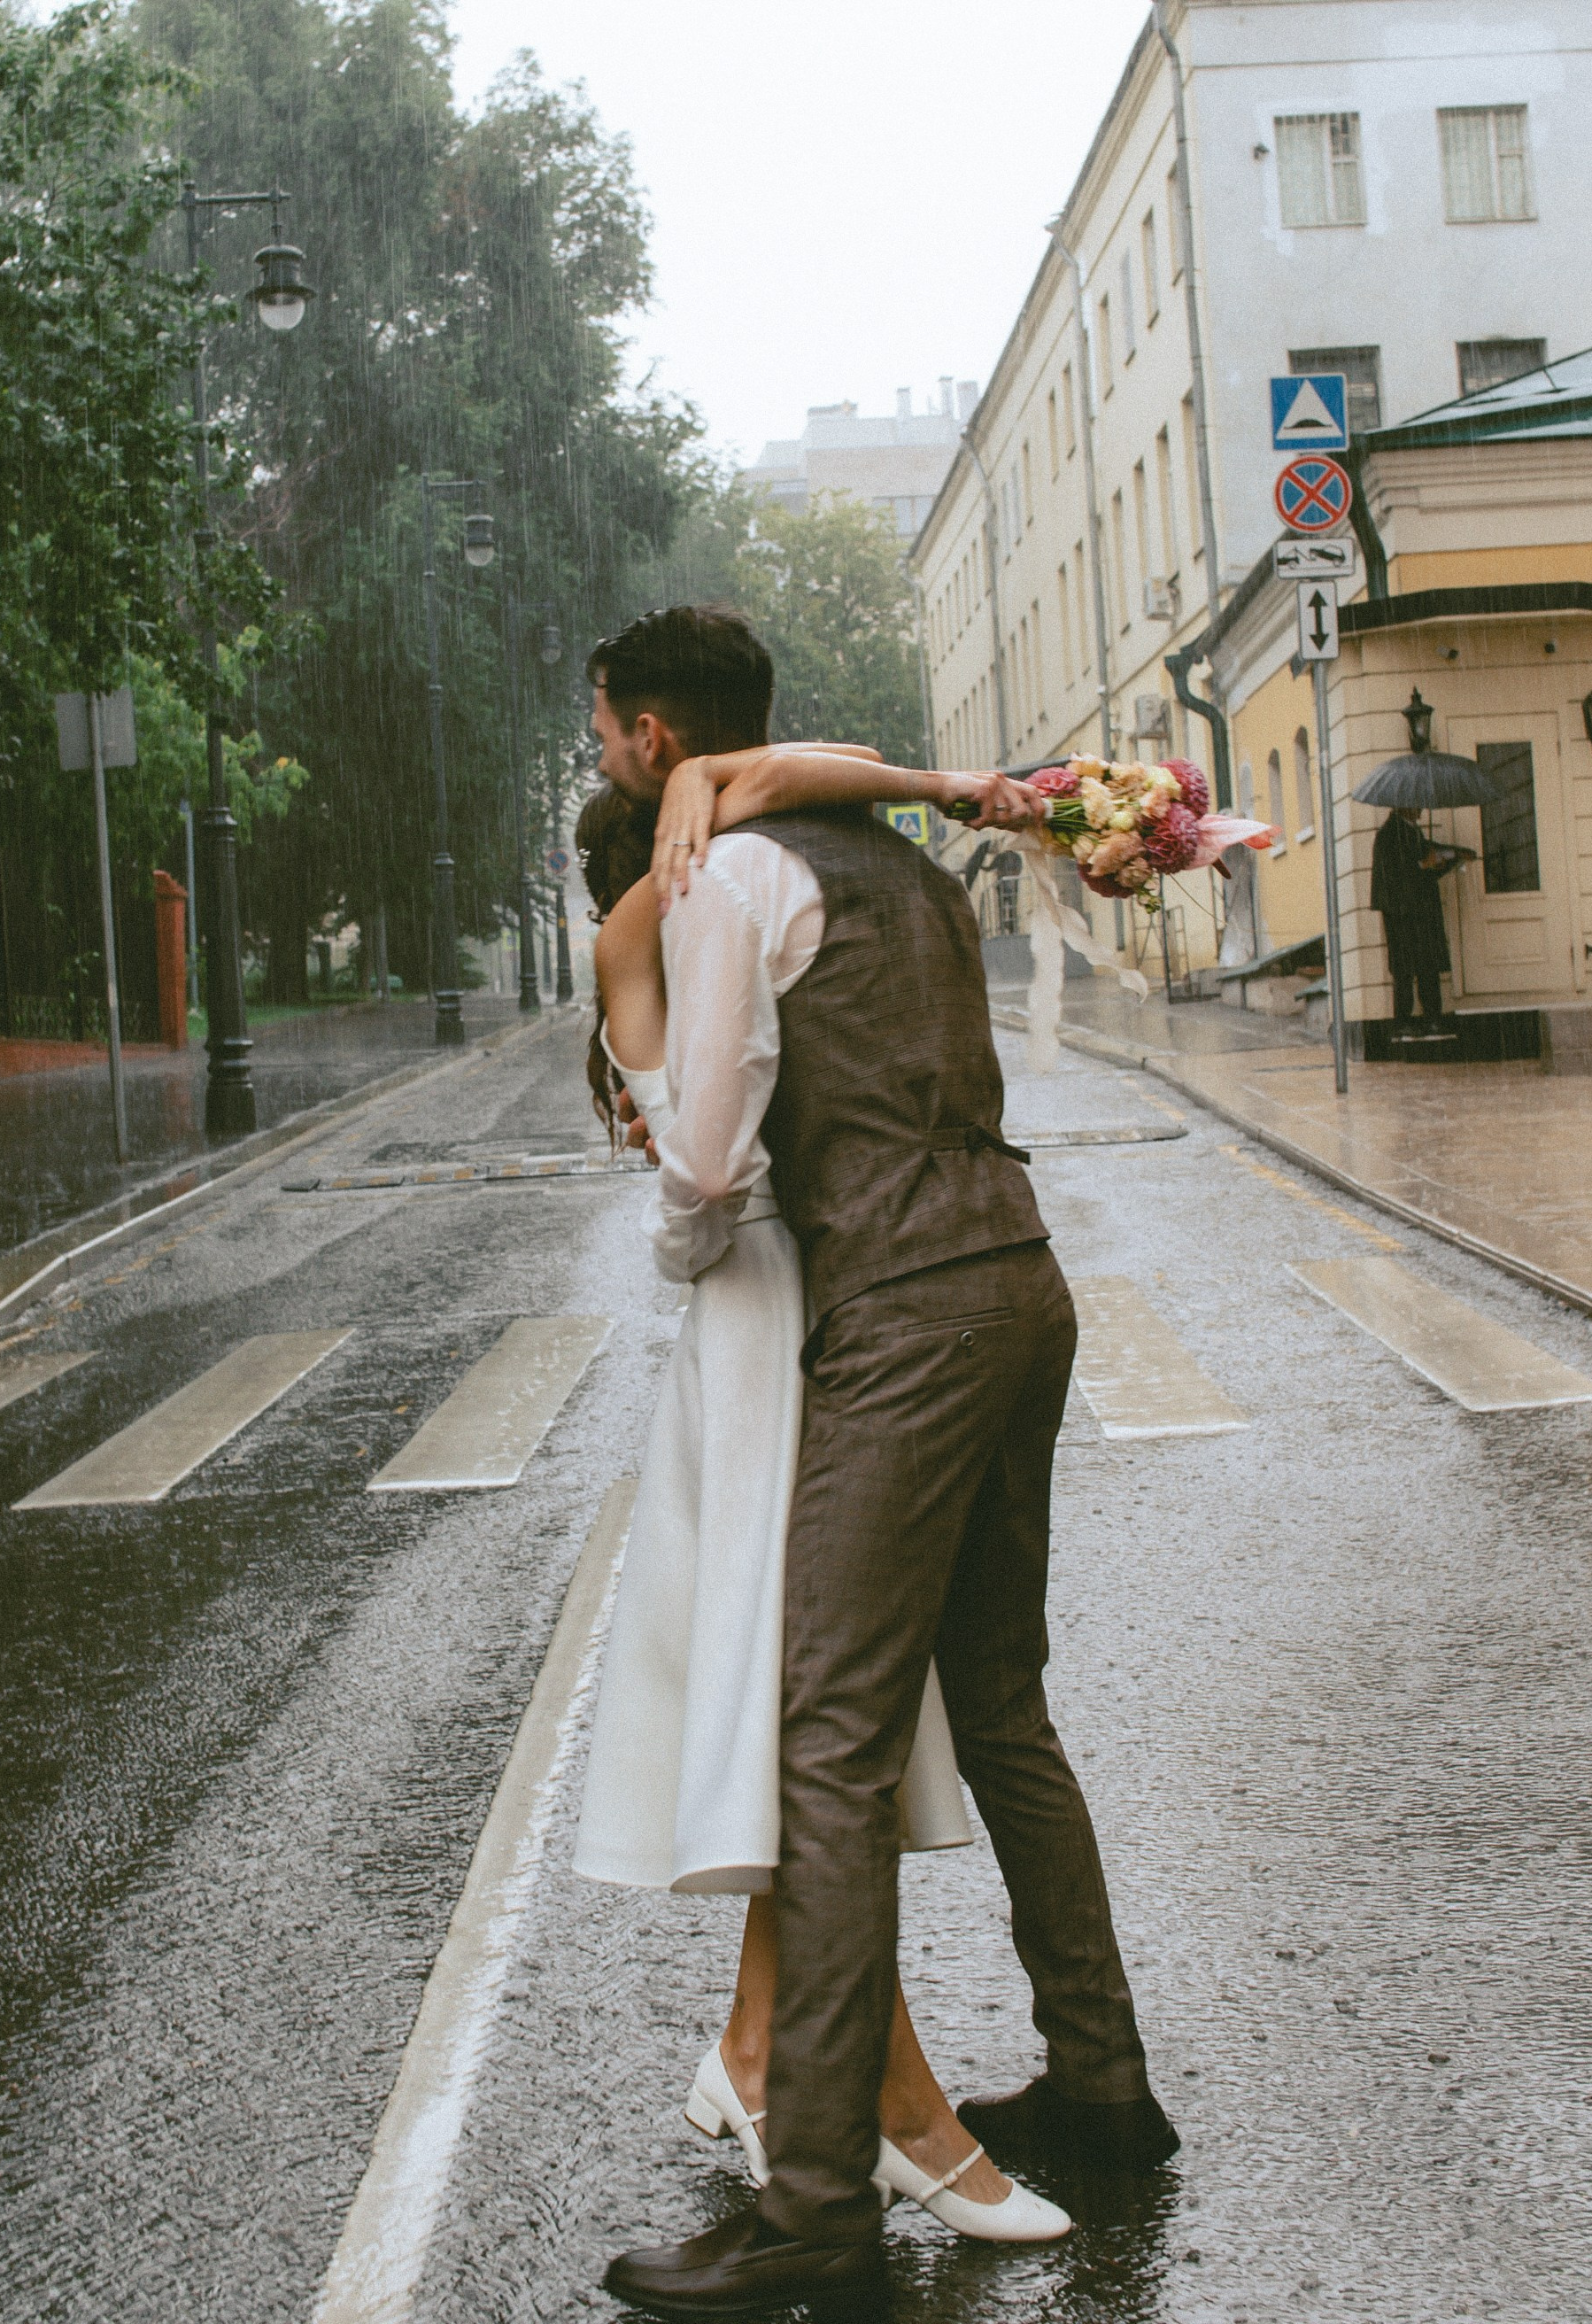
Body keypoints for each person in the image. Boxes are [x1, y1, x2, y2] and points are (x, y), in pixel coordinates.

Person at [584, 608, 1176, 2322]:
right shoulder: (903, 868)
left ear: (653, 739)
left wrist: (683, 1236)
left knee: (824, 1749)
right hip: (1020, 1275)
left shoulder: (727, 879)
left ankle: (818, 2208)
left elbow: (707, 1167)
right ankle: (1100, 2083)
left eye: (609, 732)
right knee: (999, 1701)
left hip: (901, 1313)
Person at [571, 767, 1070, 2249]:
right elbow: (698, 1188)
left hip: (831, 1309)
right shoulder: (658, 928)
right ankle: (883, 2108)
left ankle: (759, 2054)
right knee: (810, 1718)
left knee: (804, 1709)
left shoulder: (735, 889)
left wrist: (729, 782)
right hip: (762, 1324)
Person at [1371, 805, 1458, 1024]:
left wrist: (1445, 859)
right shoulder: (1389, 834)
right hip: (1404, 914)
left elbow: (1420, 865)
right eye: (1416, 804)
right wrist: (1424, 865)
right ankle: (1408, 1022)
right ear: (1404, 806)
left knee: (1423, 967)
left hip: (1416, 912)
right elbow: (1396, 874)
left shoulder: (1409, 832)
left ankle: (1427, 1018)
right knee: (1408, 970)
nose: (1421, 808)